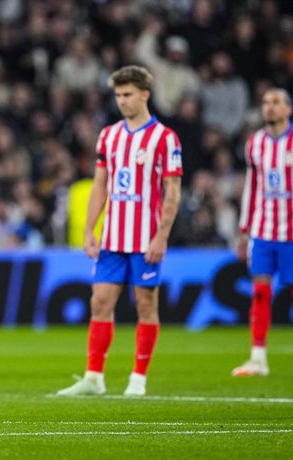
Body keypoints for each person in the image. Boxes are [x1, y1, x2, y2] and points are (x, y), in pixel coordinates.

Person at [57, 65, 182, 397]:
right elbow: (100, 185)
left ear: (145, 94)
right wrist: (89, 230)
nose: (122, 101)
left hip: (146, 238)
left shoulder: (165, 138)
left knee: (144, 305)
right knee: (99, 302)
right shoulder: (108, 135)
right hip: (113, 236)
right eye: (117, 95)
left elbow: (172, 190)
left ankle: (138, 379)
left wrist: (161, 235)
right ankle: (94, 377)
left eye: (128, 95)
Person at [233, 88, 293, 378]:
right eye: (265, 103)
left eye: (275, 103)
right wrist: (244, 229)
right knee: (260, 293)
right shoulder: (255, 143)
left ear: (288, 108)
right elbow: (251, 187)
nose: (269, 108)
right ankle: (258, 359)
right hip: (262, 230)